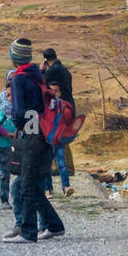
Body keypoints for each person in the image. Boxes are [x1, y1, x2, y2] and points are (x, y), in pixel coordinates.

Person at [5, 38, 65, 243]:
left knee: (27, 184)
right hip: (46, 134)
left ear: (14, 56)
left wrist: (18, 123)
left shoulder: (18, 79)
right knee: (35, 184)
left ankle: (28, 232)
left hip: (31, 134)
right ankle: (54, 225)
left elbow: (19, 112)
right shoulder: (38, 75)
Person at [41, 48, 76, 196]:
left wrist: (42, 70)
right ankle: (66, 174)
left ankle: (54, 185)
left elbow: (41, 82)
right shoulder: (65, 71)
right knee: (62, 143)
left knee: (54, 153)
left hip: (59, 112)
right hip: (68, 107)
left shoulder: (51, 71)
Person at [0, 78, 17, 208]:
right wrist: (4, 133)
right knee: (4, 172)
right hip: (3, 141)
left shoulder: (23, 105)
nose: (9, 98)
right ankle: (4, 199)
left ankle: (20, 197)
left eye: (13, 95)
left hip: (20, 142)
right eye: (8, 95)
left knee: (22, 171)